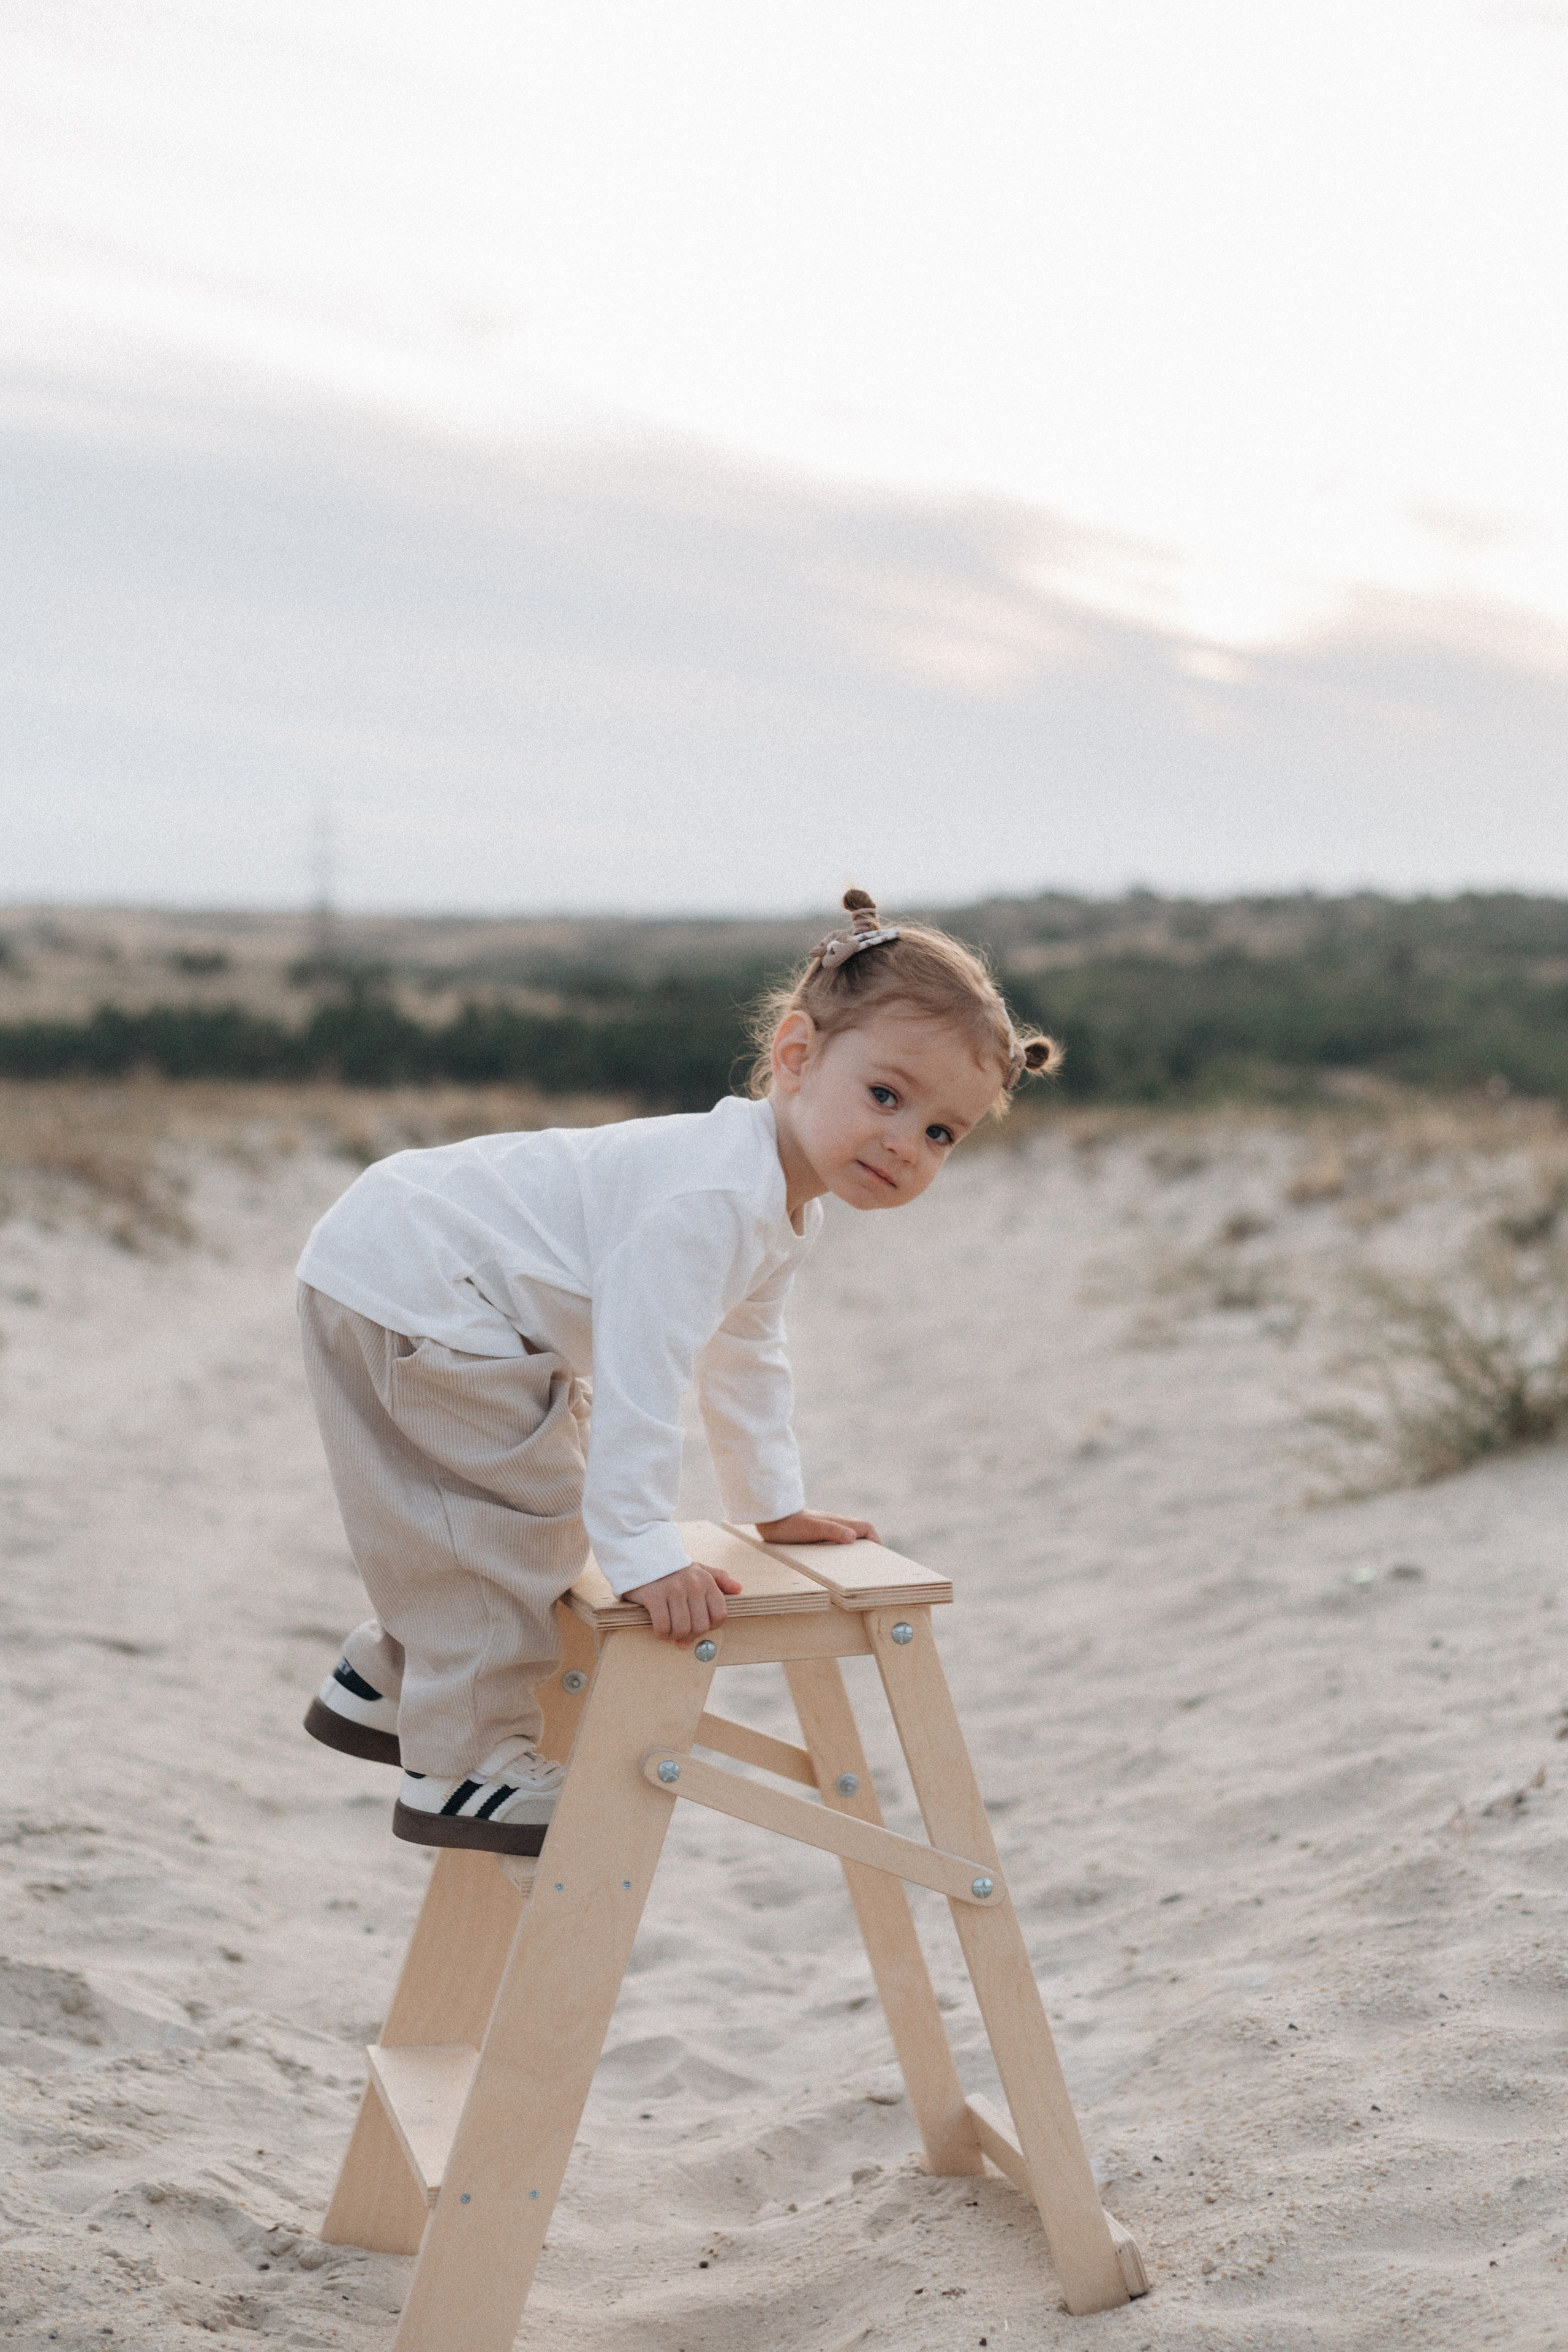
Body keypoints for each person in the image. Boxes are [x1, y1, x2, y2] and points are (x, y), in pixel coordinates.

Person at [295, 891, 1060, 1856]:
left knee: (500, 1517)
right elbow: (643, 1371)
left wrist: (772, 1506)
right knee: (517, 1521)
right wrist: (644, 1547)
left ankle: (384, 1681)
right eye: (886, 1096)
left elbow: (745, 1356)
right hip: (423, 1278)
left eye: (942, 1133)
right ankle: (461, 1769)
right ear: (796, 1057)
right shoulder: (710, 1196)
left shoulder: (775, 1202)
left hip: (410, 1261)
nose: (907, 1142)